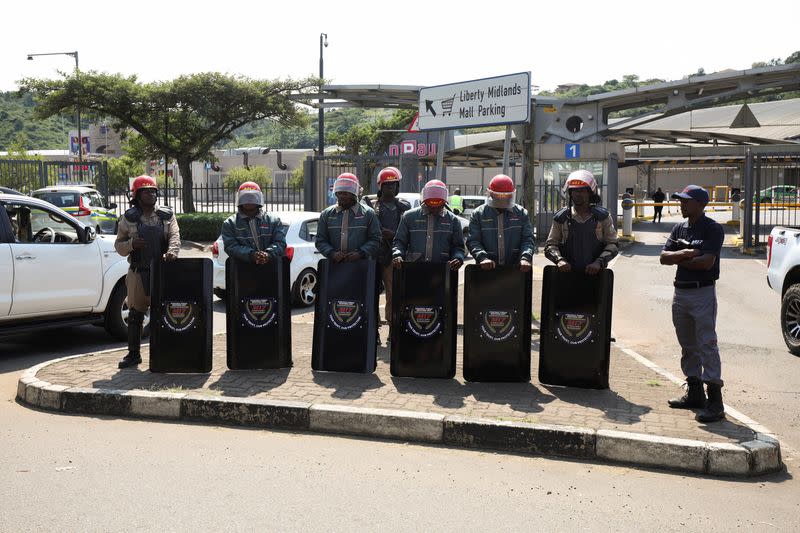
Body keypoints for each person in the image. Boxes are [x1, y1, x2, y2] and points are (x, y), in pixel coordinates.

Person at [660, 185, 725, 423]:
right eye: (681, 200)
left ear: (700, 204)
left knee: (707, 344)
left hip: (702, 293)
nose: (681, 204)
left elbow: (706, 263)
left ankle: (715, 401)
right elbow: (663, 257)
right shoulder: (679, 228)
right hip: (681, 294)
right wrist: (689, 253)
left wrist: (680, 256)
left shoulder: (713, 229)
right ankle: (695, 393)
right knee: (687, 345)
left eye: (686, 201)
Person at [115, 175, 180, 369]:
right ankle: (133, 354)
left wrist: (172, 253)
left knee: (165, 313)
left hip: (163, 270)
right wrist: (131, 244)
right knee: (135, 314)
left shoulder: (166, 216)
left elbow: (175, 237)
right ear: (136, 195)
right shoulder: (129, 218)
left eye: (153, 191)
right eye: (146, 191)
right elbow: (118, 246)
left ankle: (166, 352)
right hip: (138, 271)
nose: (151, 194)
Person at [544, 169, 618, 274]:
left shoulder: (603, 217)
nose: (578, 194)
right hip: (567, 275)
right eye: (575, 190)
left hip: (596, 275)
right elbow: (550, 245)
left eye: (582, 190)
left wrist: (599, 262)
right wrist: (559, 260)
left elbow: (613, 244)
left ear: (590, 193)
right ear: (570, 193)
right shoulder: (561, 217)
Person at [392, 179, 465, 271]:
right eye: (430, 206)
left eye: (438, 206)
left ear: (444, 203)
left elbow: (458, 247)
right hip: (413, 270)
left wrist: (458, 258)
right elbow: (399, 241)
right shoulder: (408, 217)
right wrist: (398, 255)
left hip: (441, 271)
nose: (434, 209)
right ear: (424, 202)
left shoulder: (453, 220)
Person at [370, 167, 411, 330]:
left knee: (393, 292)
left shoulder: (404, 207)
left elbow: (408, 230)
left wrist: (393, 235)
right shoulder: (371, 206)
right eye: (387, 185)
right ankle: (374, 326)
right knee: (372, 290)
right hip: (375, 254)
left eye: (394, 185)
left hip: (394, 255)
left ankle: (392, 324)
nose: (391, 188)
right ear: (381, 186)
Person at [467, 174, 534, 273]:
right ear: (491, 194)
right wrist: (482, 258)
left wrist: (525, 257)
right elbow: (473, 241)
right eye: (499, 196)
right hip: (486, 270)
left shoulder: (521, 213)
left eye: (505, 196)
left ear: (511, 195)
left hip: (515, 270)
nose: (502, 200)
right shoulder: (478, 214)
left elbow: (527, 239)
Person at [315, 172, 381, 262]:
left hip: (361, 268)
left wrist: (360, 253)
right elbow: (320, 240)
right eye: (340, 193)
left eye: (346, 193)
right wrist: (332, 253)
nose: (342, 196)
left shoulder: (368, 214)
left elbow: (376, 239)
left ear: (355, 194)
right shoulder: (326, 214)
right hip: (334, 268)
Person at [221, 181, 286, 265]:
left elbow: (280, 243)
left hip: (271, 269)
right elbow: (231, 246)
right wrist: (251, 255)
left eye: (252, 197)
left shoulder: (273, 221)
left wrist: (268, 254)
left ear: (258, 199)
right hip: (241, 270)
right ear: (239, 199)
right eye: (245, 197)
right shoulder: (230, 223)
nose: (248, 201)